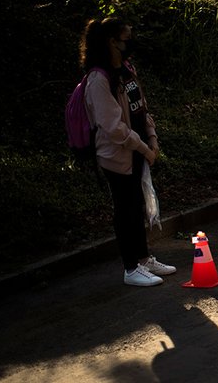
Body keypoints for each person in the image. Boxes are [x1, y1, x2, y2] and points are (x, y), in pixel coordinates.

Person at [81, 17, 176, 287]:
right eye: (126, 38)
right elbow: (112, 127)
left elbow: (141, 108)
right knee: (125, 209)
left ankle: (144, 258)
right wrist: (145, 148)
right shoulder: (98, 80)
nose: (130, 42)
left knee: (136, 205)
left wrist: (152, 139)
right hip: (116, 155)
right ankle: (131, 268)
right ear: (112, 41)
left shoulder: (126, 69)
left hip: (137, 149)